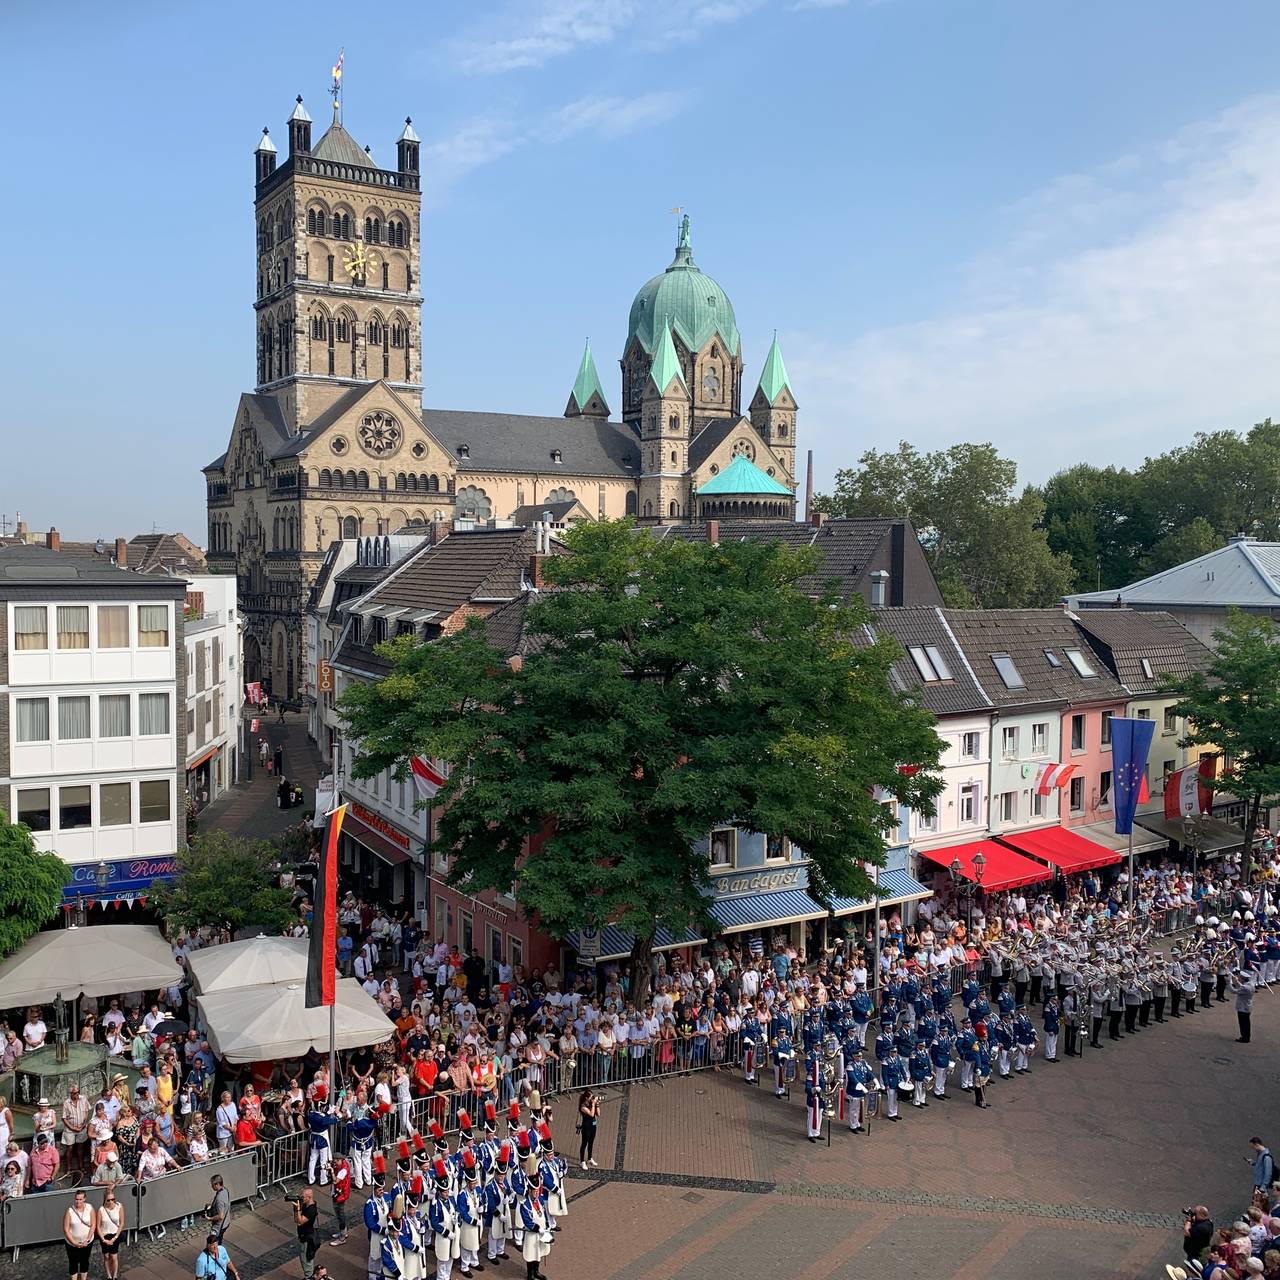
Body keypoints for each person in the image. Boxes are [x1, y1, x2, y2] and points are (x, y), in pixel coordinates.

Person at [63, 1188, 96, 1280]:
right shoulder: (70, 1211)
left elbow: (93, 1225)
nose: (78, 1201)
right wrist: (74, 1242)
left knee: (84, 1261)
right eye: (77, 1199)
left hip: (87, 1242)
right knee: (73, 1262)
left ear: (84, 1199)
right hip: (72, 1244)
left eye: (80, 1199)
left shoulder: (89, 1208)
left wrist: (88, 1239)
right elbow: (66, 1229)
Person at [97, 1184, 125, 1280]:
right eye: (108, 1200)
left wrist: (115, 1237)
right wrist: (103, 1239)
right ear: (105, 1200)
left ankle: (115, 1276)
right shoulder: (101, 1210)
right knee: (106, 1257)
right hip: (104, 1236)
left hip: (115, 1235)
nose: (111, 1202)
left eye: (113, 1199)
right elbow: (98, 1226)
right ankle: (109, 1276)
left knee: (114, 1257)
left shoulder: (119, 1206)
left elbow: (121, 1223)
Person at [293, 1186, 321, 1279]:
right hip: (303, 1236)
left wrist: (297, 1209)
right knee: (303, 1259)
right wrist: (296, 1208)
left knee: (307, 1261)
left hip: (307, 1239)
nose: (301, 1199)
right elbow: (296, 1220)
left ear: (309, 1197)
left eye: (303, 1197)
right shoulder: (306, 1204)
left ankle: (309, 1278)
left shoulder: (311, 1209)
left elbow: (300, 1222)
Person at [328, 1152, 351, 1246]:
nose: (335, 1163)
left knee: (340, 1215)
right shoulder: (342, 1165)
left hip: (340, 1194)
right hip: (338, 1192)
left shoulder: (343, 1170)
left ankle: (342, 1237)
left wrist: (332, 1171)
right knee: (339, 1214)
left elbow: (335, 1181)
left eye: (336, 1161)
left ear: (340, 1160)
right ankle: (343, 1232)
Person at [205, 1172, 231, 1245]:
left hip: (219, 1226)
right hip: (226, 1222)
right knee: (218, 1241)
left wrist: (210, 1218)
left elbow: (220, 1216)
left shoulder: (219, 1199)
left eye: (212, 1185)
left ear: (217, 1184)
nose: (211, 1187)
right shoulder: (225, 1190)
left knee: (212, 1243)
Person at [1232, 968, 1257, 1043]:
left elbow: (1233, 991)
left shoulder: (1245, 988)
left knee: (1243, 1023)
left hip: (1242, 1007)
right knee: (1246, 1022)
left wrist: (1228, 983)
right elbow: (1241, 986)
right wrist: (1236, 982)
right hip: (1247, 1007)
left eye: (1240, 977)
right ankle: (1246, 1036)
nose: (1238, 978)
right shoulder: (1250, 985)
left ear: (1242, 979)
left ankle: (1244, 1037)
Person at [578, 1088, 599, 1170]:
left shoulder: (591, 1103)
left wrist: (597, 1105)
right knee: (584, 1143)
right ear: (586, 1098)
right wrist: (593, 1105)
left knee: (591, 1142)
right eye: (590, 1097)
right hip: (586, 1127)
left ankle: (590, 1158)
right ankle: (582, 1161)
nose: (592, 1099)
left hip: (593, 1125)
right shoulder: (583, 1106)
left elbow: (598, 1114)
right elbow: (591, 1114)